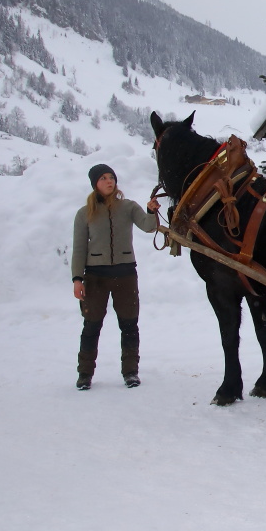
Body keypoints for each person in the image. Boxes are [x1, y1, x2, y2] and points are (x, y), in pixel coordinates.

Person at [72, 163, 160, 390]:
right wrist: (77, 279)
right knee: (91, 326)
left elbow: (148, 227)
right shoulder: (84, 214)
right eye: (103, 178)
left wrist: (151, 211)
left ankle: (130, 372)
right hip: (95, 277)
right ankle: (85, 374)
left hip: (125, 274)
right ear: (95, 184)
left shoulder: (128, 207)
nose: (109, 181)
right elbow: (79, 249)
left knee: (129, 325)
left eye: (111, 177)